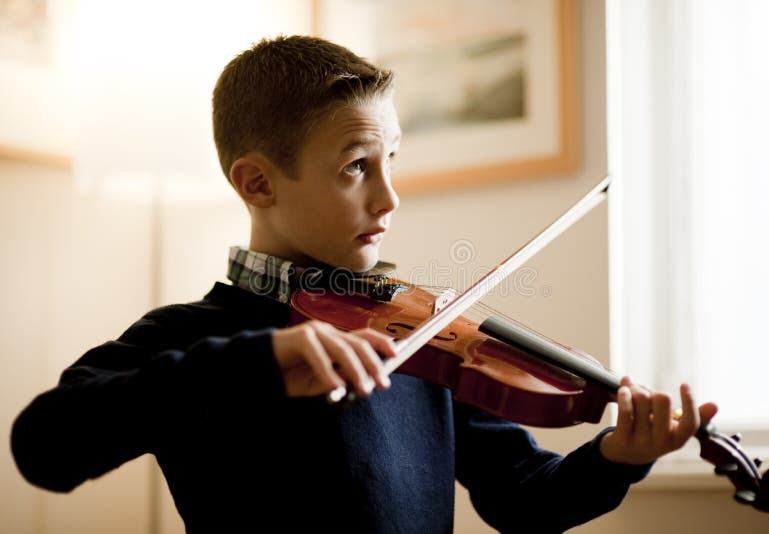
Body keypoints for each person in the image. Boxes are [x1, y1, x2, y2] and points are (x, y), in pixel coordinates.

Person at [10, 35, 718, 533]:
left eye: (392, 161)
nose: (389, 198)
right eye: (356, 166)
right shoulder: (196, 338)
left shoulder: (424, 337)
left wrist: (616, 460)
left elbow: (522, 500)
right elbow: (44, 446)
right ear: (257, 182)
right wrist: (261, 358)